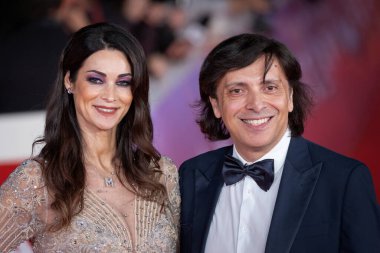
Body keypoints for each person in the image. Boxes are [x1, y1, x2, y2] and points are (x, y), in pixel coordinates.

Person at [179, 33, 380, 253]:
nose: (256, 104)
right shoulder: (191, 175)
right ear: (216, 105)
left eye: (270, 88)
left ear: (290, 97)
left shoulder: (344, 181)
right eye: (237, 91)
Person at [0, 22, 180, 252]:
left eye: (123, 82)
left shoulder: (161, 174)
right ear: (70, 81)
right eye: (96, 79)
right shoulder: (38, 180)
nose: (110, 95)